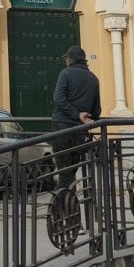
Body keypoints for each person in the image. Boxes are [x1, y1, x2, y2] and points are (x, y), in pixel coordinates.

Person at [52, 45, 102, 191]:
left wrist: (76, 114)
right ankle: (70, 206)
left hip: (62, 129)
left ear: (69, 60)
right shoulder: (94, 79)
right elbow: (97, 111)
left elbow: (59, 99)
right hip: (80, 132)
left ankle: (65, 208)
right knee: (71, 171)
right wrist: (84, 116)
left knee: (64, 174)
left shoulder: (65, 74)